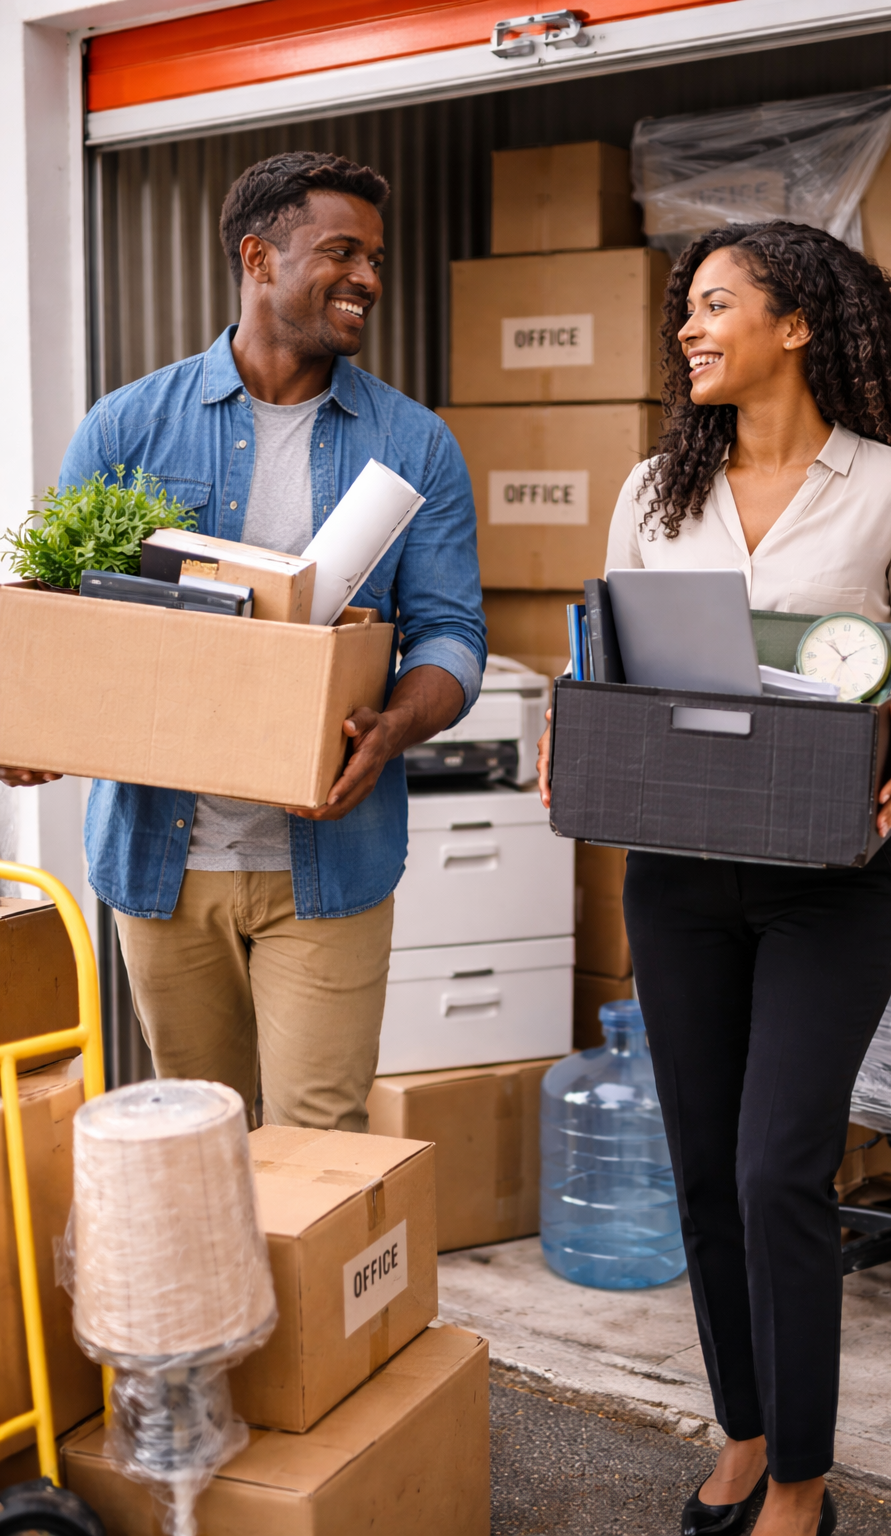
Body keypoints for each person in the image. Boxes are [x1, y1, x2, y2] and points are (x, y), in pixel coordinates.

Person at [538, 221, 891, 1536]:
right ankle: (743, 1428)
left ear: (797, 326)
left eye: (714, 304)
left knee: (780, 1165)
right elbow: (610, 653)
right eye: (685, 309)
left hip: (828, 880)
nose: (687, 328)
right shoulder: (652, 491)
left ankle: (803, 1477)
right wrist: (575, 725)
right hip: (675, 875)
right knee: (703, 1164)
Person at [2, 152, 486, 1134]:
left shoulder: (414, 444)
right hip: (164, 865)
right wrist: (33, 728)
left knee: (318, 1146)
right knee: (200, 1142)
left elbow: (453, 637)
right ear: (258, 256)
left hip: (330, 862)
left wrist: (391, 726)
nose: (368, 279)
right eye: (342, 252)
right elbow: (62, 613)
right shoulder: (128, 426)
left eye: (376, 259)